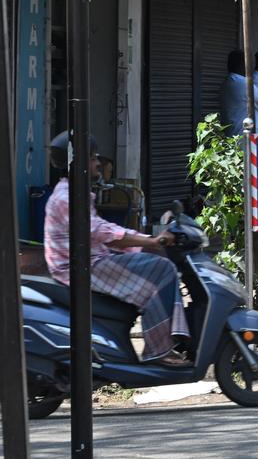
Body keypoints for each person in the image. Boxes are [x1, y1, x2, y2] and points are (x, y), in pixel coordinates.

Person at [43, 132, 190, 365]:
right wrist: (151, 241)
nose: (98, 163)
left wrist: (145, 243)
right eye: (92, 159)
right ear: (78, 164)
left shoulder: (73, 193)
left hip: (91, 257)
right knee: (162, 269)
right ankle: (159, 351)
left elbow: (101, 234)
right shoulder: (67, 198)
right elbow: (102, 232)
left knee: (152, 259)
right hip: (82, 267)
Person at [219, 49, 258, 135]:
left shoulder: (228, 81)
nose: (252, 67)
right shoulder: (243, 82)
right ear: (243, 64)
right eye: (250, 63)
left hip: (233, 132)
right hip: (244, 135)